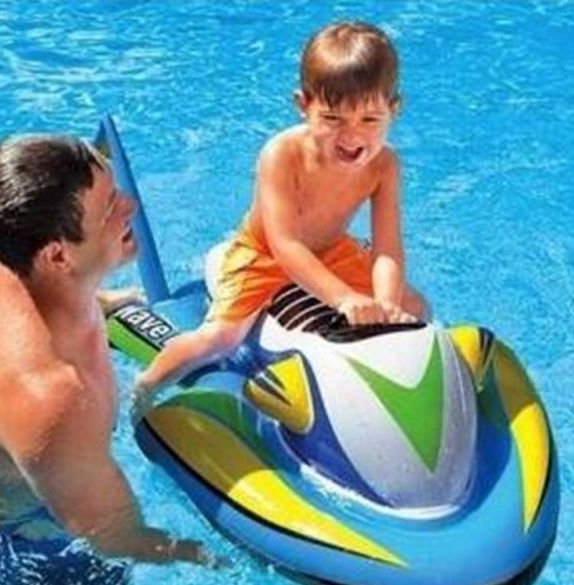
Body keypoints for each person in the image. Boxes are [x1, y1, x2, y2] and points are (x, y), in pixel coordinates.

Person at [133, 21, 427, 412]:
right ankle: (144, 389)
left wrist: (386, 306)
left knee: (416, 308)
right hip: (264, 254)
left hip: (332, 251)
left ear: (394, 110)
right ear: (303, 105)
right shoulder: (282, 154)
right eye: (333, 119)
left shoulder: (386, 165)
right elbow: (285, 245)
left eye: (370, 120)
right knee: (220, 339)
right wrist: (343, 298)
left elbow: (387, 248)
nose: (352, 136)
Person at [0, 133, 209, 565]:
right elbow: (118, 538)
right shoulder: (58, 399)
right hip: (23, 536)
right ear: (57, 257)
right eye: (110, 208)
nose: (131, 206)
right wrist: (207, 555)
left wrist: (97, 299)